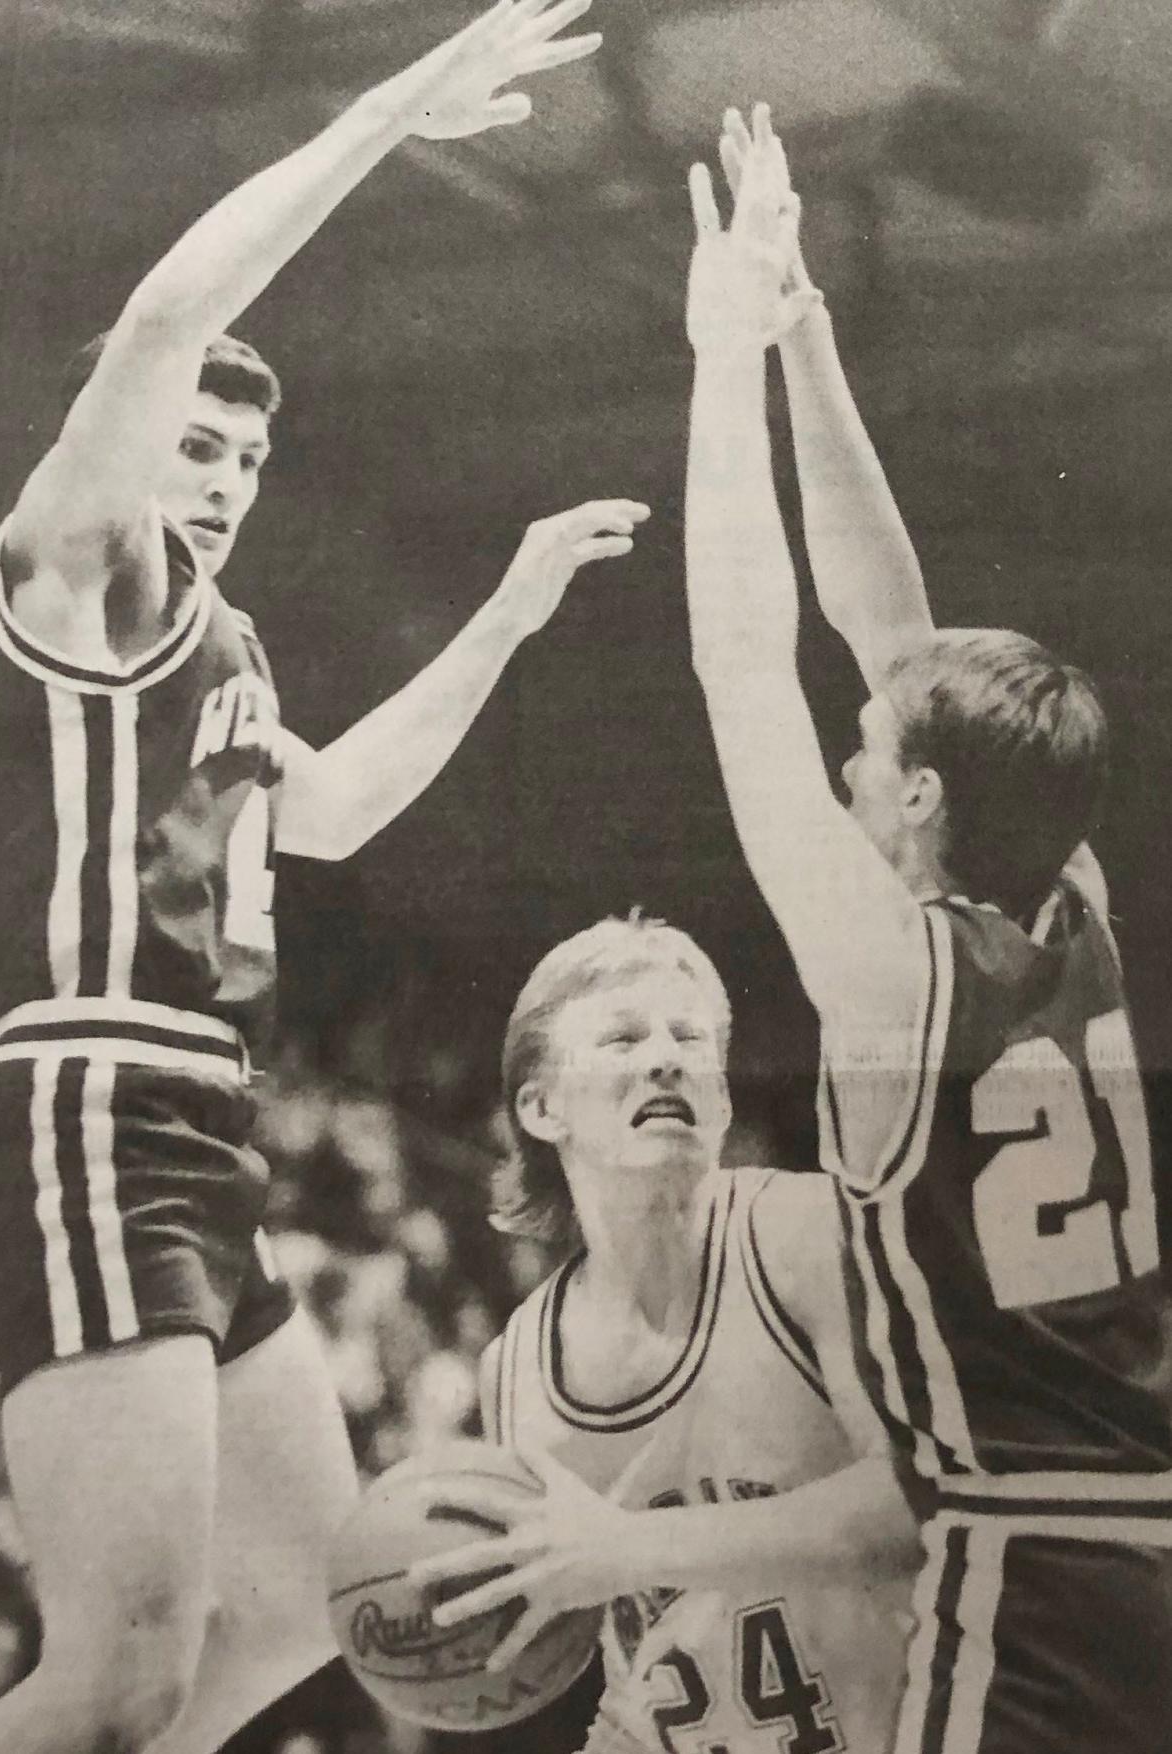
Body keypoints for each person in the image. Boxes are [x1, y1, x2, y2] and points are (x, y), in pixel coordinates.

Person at [0, 6, 652, 1752]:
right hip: (91, 1094)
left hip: (201, 1125)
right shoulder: (74, 569)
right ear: (124, 436)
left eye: (250, 462)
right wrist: (398, 105)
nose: (230, 479)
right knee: (116, 1675)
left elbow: (326, 812)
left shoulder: (224, 646)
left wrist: (502, 616)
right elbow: (176, 312)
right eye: (200, 444)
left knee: (288, 1623)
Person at [682, 108, 1172, 1753]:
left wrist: (716, 358)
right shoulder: (1071, 909)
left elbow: (753, 662)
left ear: (917, 809)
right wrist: (804, 324)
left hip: (1023, 1557)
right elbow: (890, 635)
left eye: (870, 761)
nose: (847, 755)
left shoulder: (897, 975)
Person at [407, 916, 919, 1753]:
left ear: (719, 1097)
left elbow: (922, 1503)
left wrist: (629, 1546)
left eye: (690, 1037)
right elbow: (641, 1655)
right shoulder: (518, 1371)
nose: (666, 1056)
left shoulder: (804, 1236)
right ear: (540, 1107)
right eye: (621, 1037)